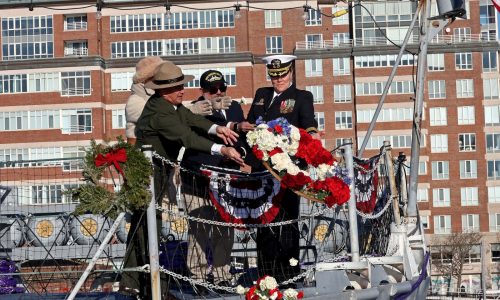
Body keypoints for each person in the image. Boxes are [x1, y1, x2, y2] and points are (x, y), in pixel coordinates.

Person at [121, 60, 244, 298]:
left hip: (158, 171)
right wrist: (222, 149)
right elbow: (186, 137)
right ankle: (143, 285)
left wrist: (219, 128)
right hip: (147, 174)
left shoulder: (170, 106)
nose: (182, 90)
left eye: (182, 85)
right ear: (163, 89)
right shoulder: (159, 113)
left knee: (146, 228)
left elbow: (191, 119)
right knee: (146, 229)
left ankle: (142, 285)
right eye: (176, 86)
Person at [247, 54, 319, 284]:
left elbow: (309, 125)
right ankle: (265, 274)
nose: (278, 80)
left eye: (282, 75)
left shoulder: (301, 97)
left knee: (287, 222)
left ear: (291, 73)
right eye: (274, 75)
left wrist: (313, 138)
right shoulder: (262, 94)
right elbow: (251, 125)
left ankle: (288, 274)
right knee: (264, 221)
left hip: (287, 169)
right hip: (262, 170)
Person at [125, 56, 164, 145]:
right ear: (146, 78)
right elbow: (160, 120)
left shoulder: (157, 96)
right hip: (144, 153)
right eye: (159, 74)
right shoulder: (135, 100)